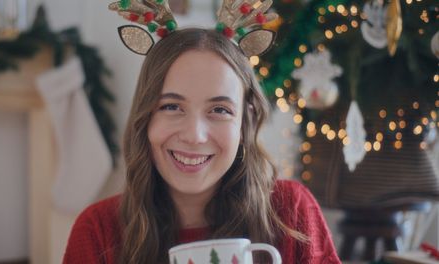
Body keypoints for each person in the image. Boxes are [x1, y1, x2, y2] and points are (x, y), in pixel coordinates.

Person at [63, 28, 341, 263]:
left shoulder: (291, 212)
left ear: (244, 124)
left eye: (219, 110)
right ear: (145, 119)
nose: (195, 136)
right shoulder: (97, 231)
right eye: (171, 106)